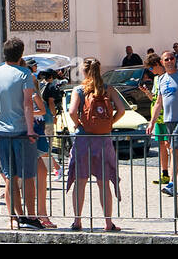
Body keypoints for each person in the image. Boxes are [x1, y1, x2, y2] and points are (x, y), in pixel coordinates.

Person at [0, 37, 42, 229]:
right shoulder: (25, 74)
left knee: (10, 176)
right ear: (21, 54)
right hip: (22, 131)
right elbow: (27, 103)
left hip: (1, 132)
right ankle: (31, 216)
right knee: (29, 176)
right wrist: (31, 130)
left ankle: (14, 217)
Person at [67, 57, 124, 231]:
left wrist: (78, 124)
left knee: (81, 182)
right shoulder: (108, 89)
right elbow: (121, 110)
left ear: (83, 72)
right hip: (103, 140)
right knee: (103, 182)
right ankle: (108, 223)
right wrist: (109, 123)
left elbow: (71, 112)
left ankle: (77, 221)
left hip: (84, 139)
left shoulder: (79, 90)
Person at [146, 50, 178, 197]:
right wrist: (151, 123)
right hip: (168, 120)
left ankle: (172, 184)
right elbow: (158, 103)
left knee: (174, 149)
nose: (169, 61)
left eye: (171, 58)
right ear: (162, 62)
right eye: (166, 59)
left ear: (175, 60)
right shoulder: (161, 79)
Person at [27, 62, 57, 228]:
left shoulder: (34, 95)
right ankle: (33, 215)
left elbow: (43, 112)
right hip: (30, 135)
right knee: (26, 178)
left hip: (37, 135)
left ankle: (41, 214)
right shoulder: (27, 95)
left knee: (41, 174)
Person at [138, 54, 170, 184]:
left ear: (157, 64)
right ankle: (165, 174)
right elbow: (154, 99)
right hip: (158, 118)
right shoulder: (156, 79)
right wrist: (146, 92)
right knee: (162, 146)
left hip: (168, 117)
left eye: (151, 68)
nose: (151, 72)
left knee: (170, 146)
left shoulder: (168, 77)